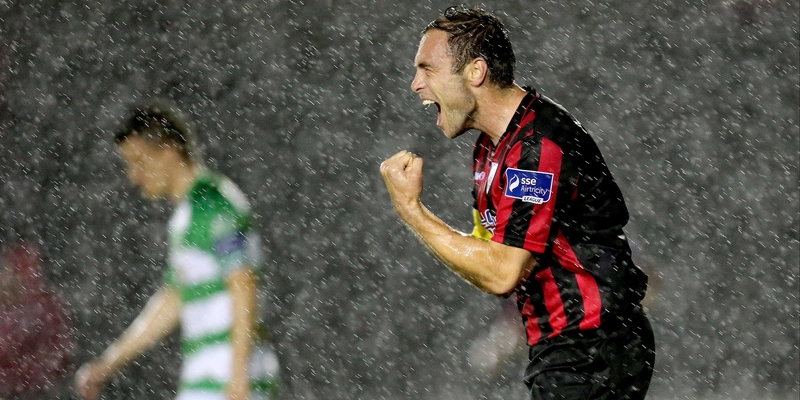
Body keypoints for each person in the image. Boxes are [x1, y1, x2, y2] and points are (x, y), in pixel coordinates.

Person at [380, 6, 655, 399]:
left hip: (593, 346)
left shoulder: (537, 146)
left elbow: (501, 273)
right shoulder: (489, 149)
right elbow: (489, 260)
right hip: (567, 348)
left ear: (475, 72)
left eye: (427, 69)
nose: (415, 84)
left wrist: (412, 211)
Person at [74, 101, 279, 400]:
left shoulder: (211, 202)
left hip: (225, 379)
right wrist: (109, 363)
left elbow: (242, 282)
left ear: (169, 152)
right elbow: (174, 299)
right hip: (208, 377)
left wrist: (238, 376)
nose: (133, 175)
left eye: (139, 162)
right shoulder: (187, 216)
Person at [0, 241, 73, 399]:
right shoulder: (10, 307)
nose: (3, 277)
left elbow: (58, 359)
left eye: (7, 270)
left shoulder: (43, 308)